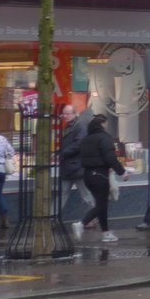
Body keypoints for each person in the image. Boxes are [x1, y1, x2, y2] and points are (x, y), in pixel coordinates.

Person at [74, 115, 129, 243]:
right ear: (102, 125)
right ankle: (82, 224)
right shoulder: (104, 138)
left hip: (88, 175)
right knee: (101, 206)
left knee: (101, 204)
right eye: (105, 124)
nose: (106, 126)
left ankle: (106, 233)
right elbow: (110, 158)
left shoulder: (86, 139)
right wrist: (122, 172)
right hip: (100, 175)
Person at [58, 104, 94, 214]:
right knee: (63, 194)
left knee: (85, 195)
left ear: (75, 114)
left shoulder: (80, 126)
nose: (65, 116)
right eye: (64, 114)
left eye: (67, 114)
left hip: (77, 167)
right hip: (70, 166)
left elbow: (78, 144)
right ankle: (53, 216)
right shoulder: (70, 126)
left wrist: (63, 153)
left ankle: (95, 215)